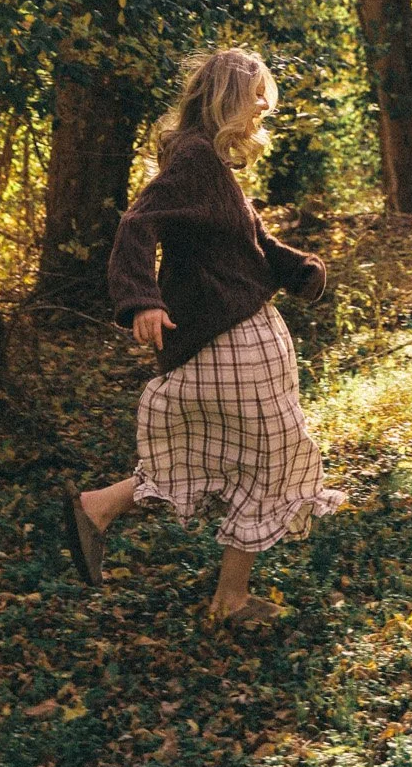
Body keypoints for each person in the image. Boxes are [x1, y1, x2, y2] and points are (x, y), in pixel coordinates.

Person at [61, 47, 343, 625]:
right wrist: (140, 299)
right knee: (272, 461)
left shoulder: (209, 164)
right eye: (256, 96)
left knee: (231, 457)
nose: (263, 107)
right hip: (229, 339)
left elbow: (253, 244)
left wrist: (299, 271)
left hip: (239, 335)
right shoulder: (193, 160)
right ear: (228, 98)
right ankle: (230, 598)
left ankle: (99, 510)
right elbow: (138, 224)